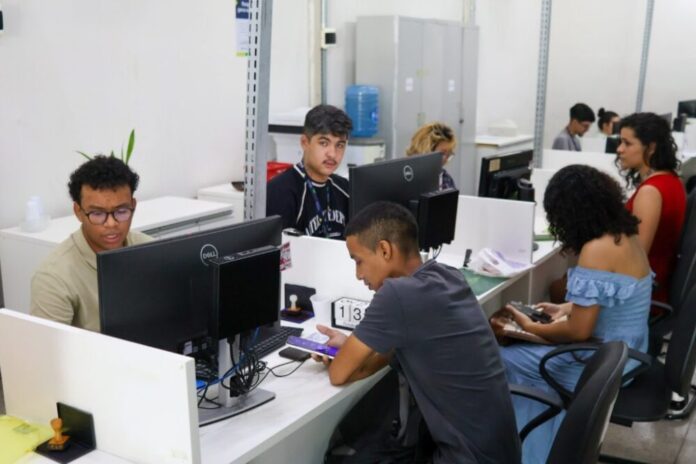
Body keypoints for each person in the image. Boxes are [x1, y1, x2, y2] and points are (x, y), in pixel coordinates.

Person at [315, 202, 521, 463]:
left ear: (384, 250)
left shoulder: (396, 295)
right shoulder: (449, 276)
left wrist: (348, 355)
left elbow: (339, 374)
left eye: (358, 261)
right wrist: (351, 346)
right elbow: (397, 351)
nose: (358, 274)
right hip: (503, 453)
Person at [491, 164, 652, 463]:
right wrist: (565, 308)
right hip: (627, 355)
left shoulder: (596, 249)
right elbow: (617, 297)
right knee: (523, 350)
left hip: (601, 364)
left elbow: (578, 332)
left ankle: (530, 454)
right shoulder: (625, 235)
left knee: (501, 358)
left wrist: (528, 326)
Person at [31, 156, 152, 331]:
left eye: (121, 211)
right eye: (97, 214)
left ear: (133, 206)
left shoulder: (151, 251)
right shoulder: (53, 277)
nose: (111, 224)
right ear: (78, 212)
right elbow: (47, 346)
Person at [618, 112, 686, 303]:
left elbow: (637, 258)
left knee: (562, 286)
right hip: (658, 281)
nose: (619, 149)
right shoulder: (672, 180)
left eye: (627, 143)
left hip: (644, 294)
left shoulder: (650, 191)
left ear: (651, 147)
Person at [266, 104, 353, 239]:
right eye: (324, 143)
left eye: (339, 145)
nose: (333, 154)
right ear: (305, 142)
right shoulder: (280, 192)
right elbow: (281, 249)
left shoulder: (345, 188)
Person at [406, 122, 457, 190]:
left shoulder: (446, 178)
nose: (446, 159)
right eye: (443, 153)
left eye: (449, 154)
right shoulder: (407, 178)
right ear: (425, 150)